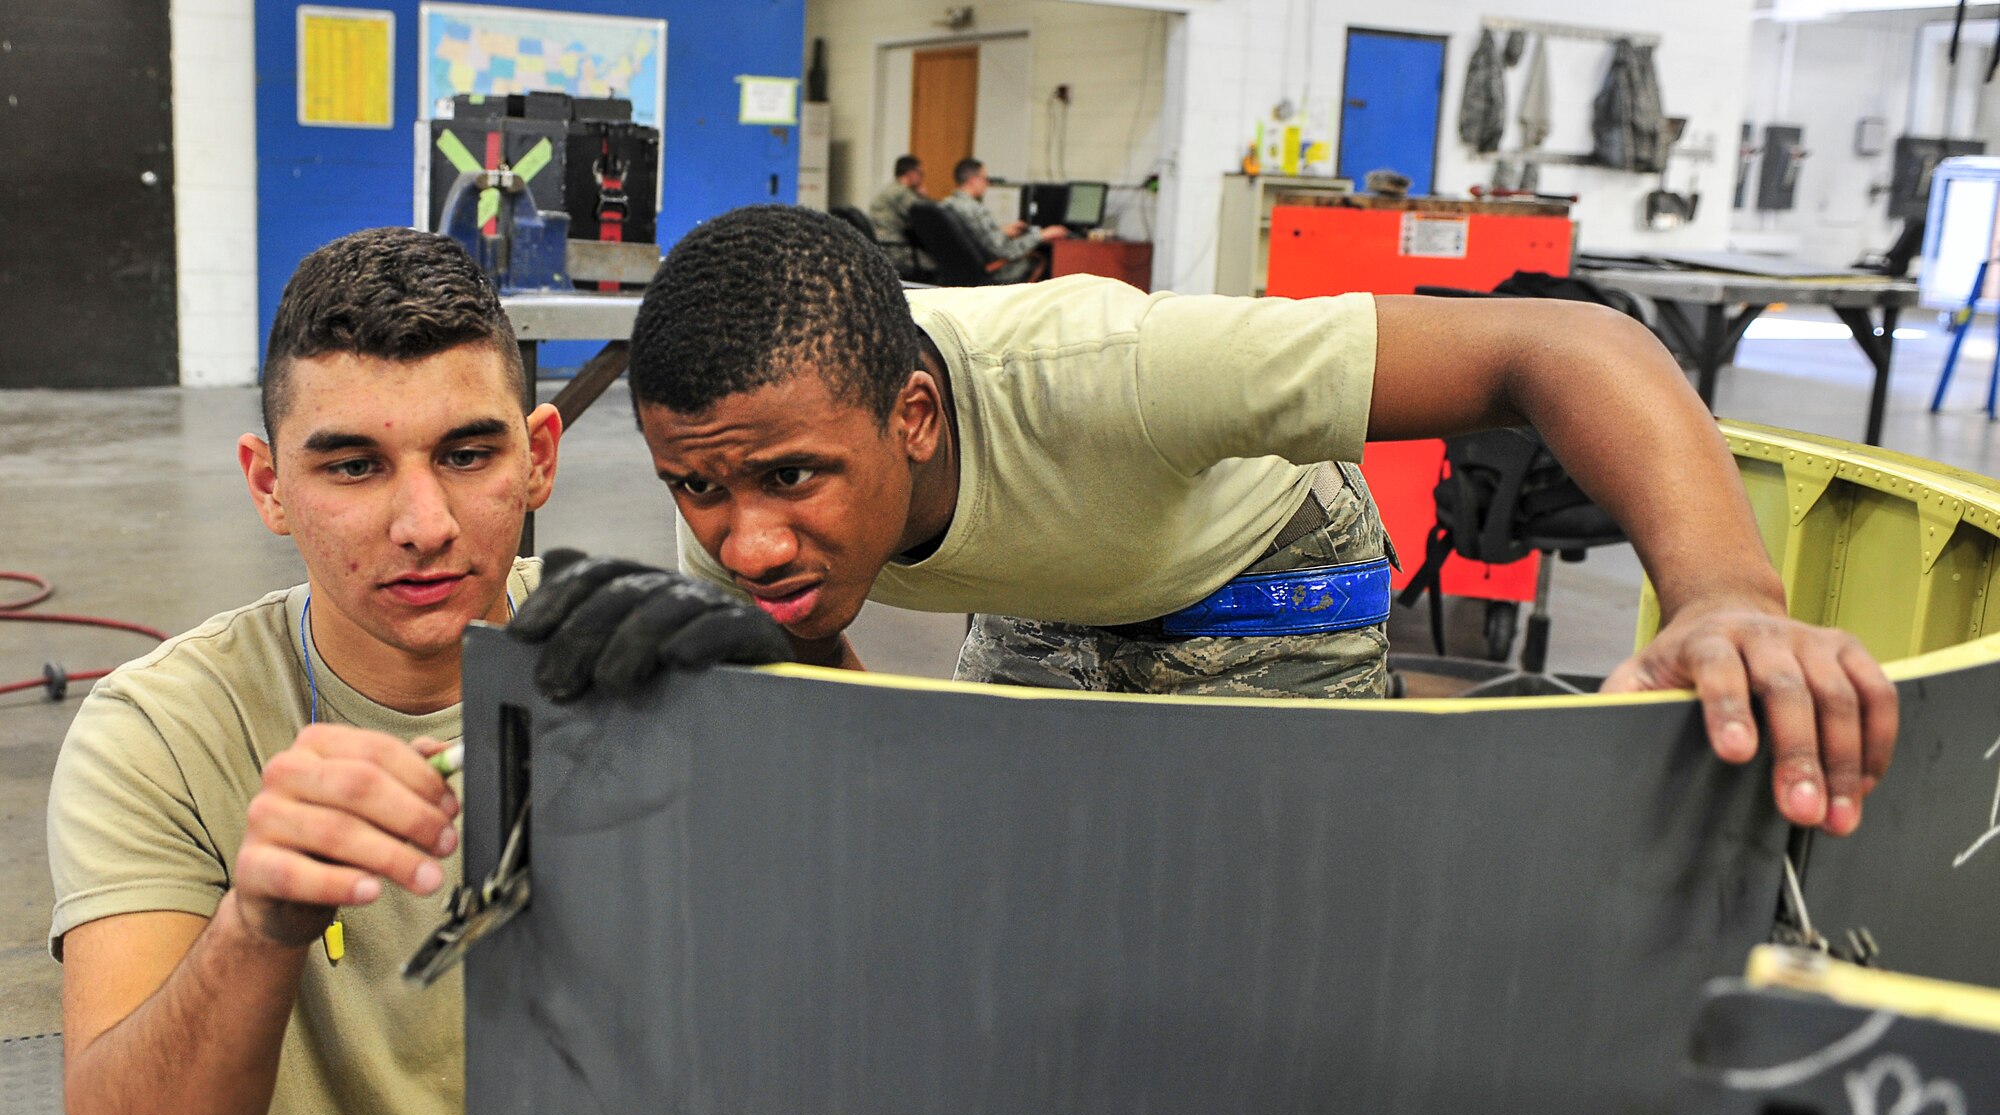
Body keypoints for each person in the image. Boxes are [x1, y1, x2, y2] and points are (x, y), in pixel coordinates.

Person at [514, 204, 1900, 840]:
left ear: (917, 417)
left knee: (1254, 891)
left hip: (1258, 560)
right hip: (1068, 570)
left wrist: (1726, 593)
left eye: (793, 483)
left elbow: (1567, 344)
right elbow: (860, 737)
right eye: (702, 489)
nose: (742, 541)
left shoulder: (1114, 367)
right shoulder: (734, 471)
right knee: (987, 851)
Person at [46, 228, 588, 1115]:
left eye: (468, 454)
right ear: (268, 485)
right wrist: (257, 921)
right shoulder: (164, 731)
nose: (423, 525)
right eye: (352, 465)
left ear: (540, 459)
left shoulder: (630, 669)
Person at [940, 157, 1067, 283]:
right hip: (991, 271)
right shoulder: (976, 210)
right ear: (973, 181)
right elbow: (1006, 250)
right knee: (1040, 260)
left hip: (959, 269)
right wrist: (1041, 235)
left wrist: (1001, 231)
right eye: (985, 179)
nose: (988, 183)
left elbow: (972, 237)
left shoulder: (946, 205)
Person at [868, 153, 935, 281]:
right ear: (911, 174)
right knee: (937, 264)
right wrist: (924, 197)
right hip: (896, 251)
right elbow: (928, 217)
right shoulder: (902, 193)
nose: (922, 178)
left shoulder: (889, 189)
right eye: (920, 174)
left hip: (881, 247)